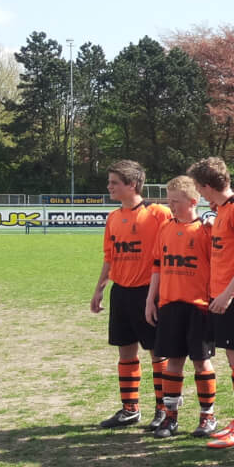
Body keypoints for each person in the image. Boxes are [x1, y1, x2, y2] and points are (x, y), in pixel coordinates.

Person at [90, 160, 171, 429]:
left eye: (114, 182)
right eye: (109, 182)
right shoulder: (113, 217)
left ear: (132, 184)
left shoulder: (158, 213)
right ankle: (130, 409)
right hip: (121, 293)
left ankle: (163, 409)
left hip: (149, 292)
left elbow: (171, 250)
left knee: (158, 353)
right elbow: (109, 257)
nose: (109, 187)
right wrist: (99, 289)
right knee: (125, 351)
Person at [188, 156, 234, 448]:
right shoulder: (223, 210)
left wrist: (228, 293)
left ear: (207, 186)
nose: (199, 193)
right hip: (222, 295)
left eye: (199, 187)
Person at [143, 175, 219, 439]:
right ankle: (170, 417)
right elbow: (157, 266)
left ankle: (207, 416)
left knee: (201, 362)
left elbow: (220, 265)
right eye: (169, 200)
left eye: (176, 201)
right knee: (173, 363)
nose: (171, 206)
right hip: (169, 305)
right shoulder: (165, 228)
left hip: (199, 307)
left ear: (193, 202)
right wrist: (151, 299)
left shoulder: (206, 230)